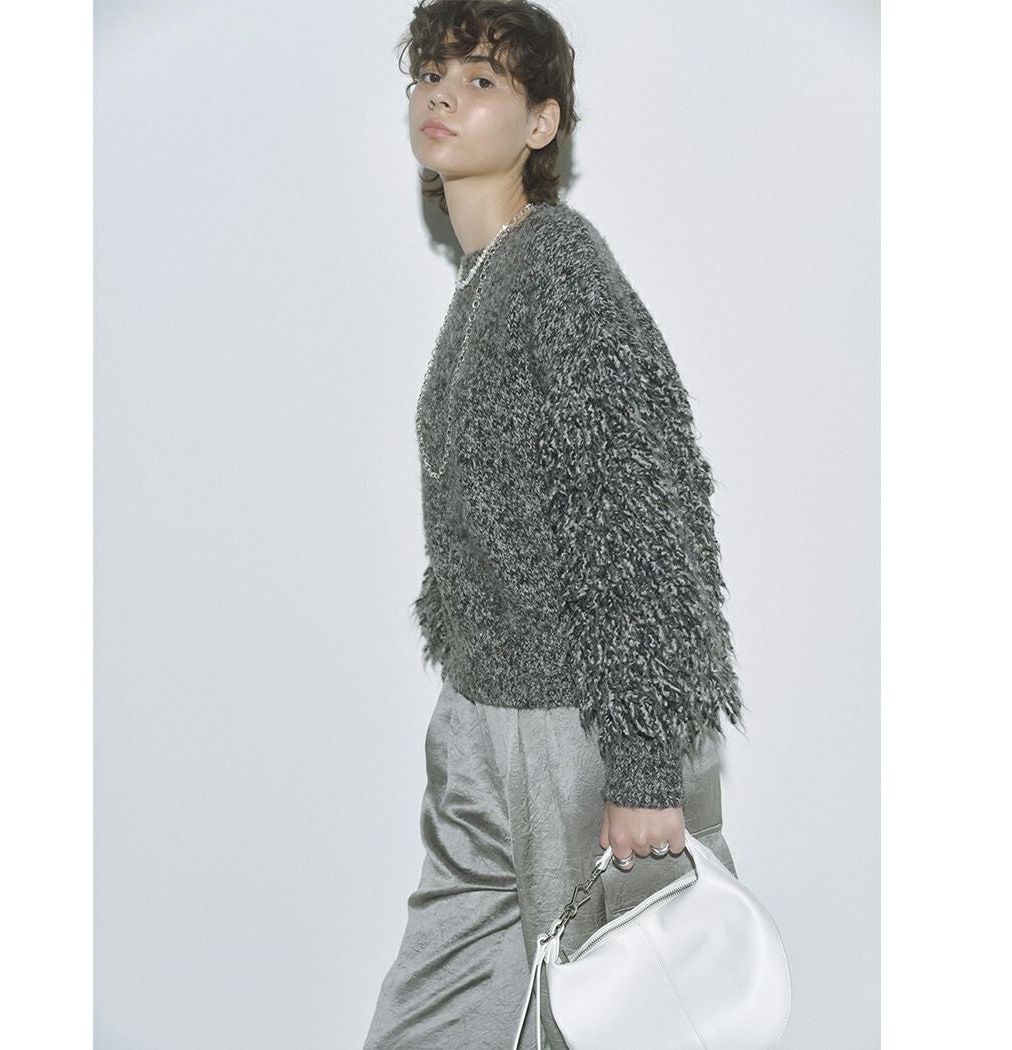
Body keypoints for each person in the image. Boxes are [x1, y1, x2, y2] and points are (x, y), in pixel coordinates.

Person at [364, 3, 750, 1048]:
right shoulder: (491, 277)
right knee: (436, 1010)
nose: (442, 94)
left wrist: (642, 766)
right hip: (486, 713)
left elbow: (644, 518)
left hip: (577, 723)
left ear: (542, 123)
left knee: (620, 1018)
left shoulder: (559, 274)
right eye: (430, 75)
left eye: (480, 79)